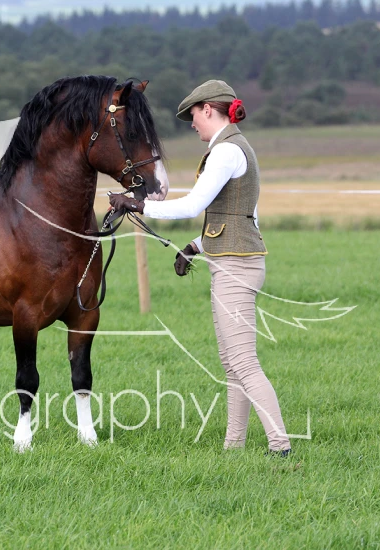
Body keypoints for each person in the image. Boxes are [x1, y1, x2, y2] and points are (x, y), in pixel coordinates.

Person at [109, 80, 291, 456]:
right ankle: (233, 447)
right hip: (234, 262)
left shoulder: (226, 151)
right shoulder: (235, 147)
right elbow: (242, 217)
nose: (192, 123)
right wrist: (196, 245)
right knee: (232, 363)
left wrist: (137, 204)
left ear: (208, 109)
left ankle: (281, 446)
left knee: (243, 362)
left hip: (235, 268)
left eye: (193, 115)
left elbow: (193, 205)